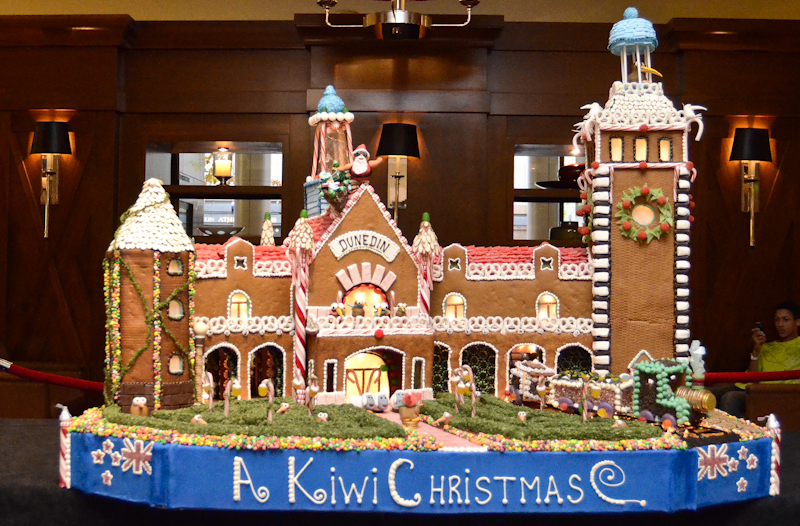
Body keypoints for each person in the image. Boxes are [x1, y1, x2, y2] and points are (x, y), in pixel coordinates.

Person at [715, 301, 800, 417]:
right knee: (702, 393)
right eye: (777, 320)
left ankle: (734, 435)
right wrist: (756, 351)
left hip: (770, 393)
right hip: (745, 385)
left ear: (797, 321)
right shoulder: (767, 346)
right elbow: (752, 376)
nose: (780, 324)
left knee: (730, 398)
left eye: (785, 319)